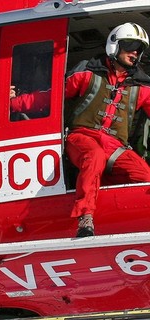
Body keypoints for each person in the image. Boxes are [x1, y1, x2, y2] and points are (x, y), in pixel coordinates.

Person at [65, 22, 150, 237]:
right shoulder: (87, 73)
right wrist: (15, 100)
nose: (135, 52)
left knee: (144, 175)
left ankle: (125, 223)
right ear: (115, 45)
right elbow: (51, 97)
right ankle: (85, 217)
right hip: (81, 137)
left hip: (115, 146)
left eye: (139, 49)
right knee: (93, 157)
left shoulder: (141, 86)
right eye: (130, 45)